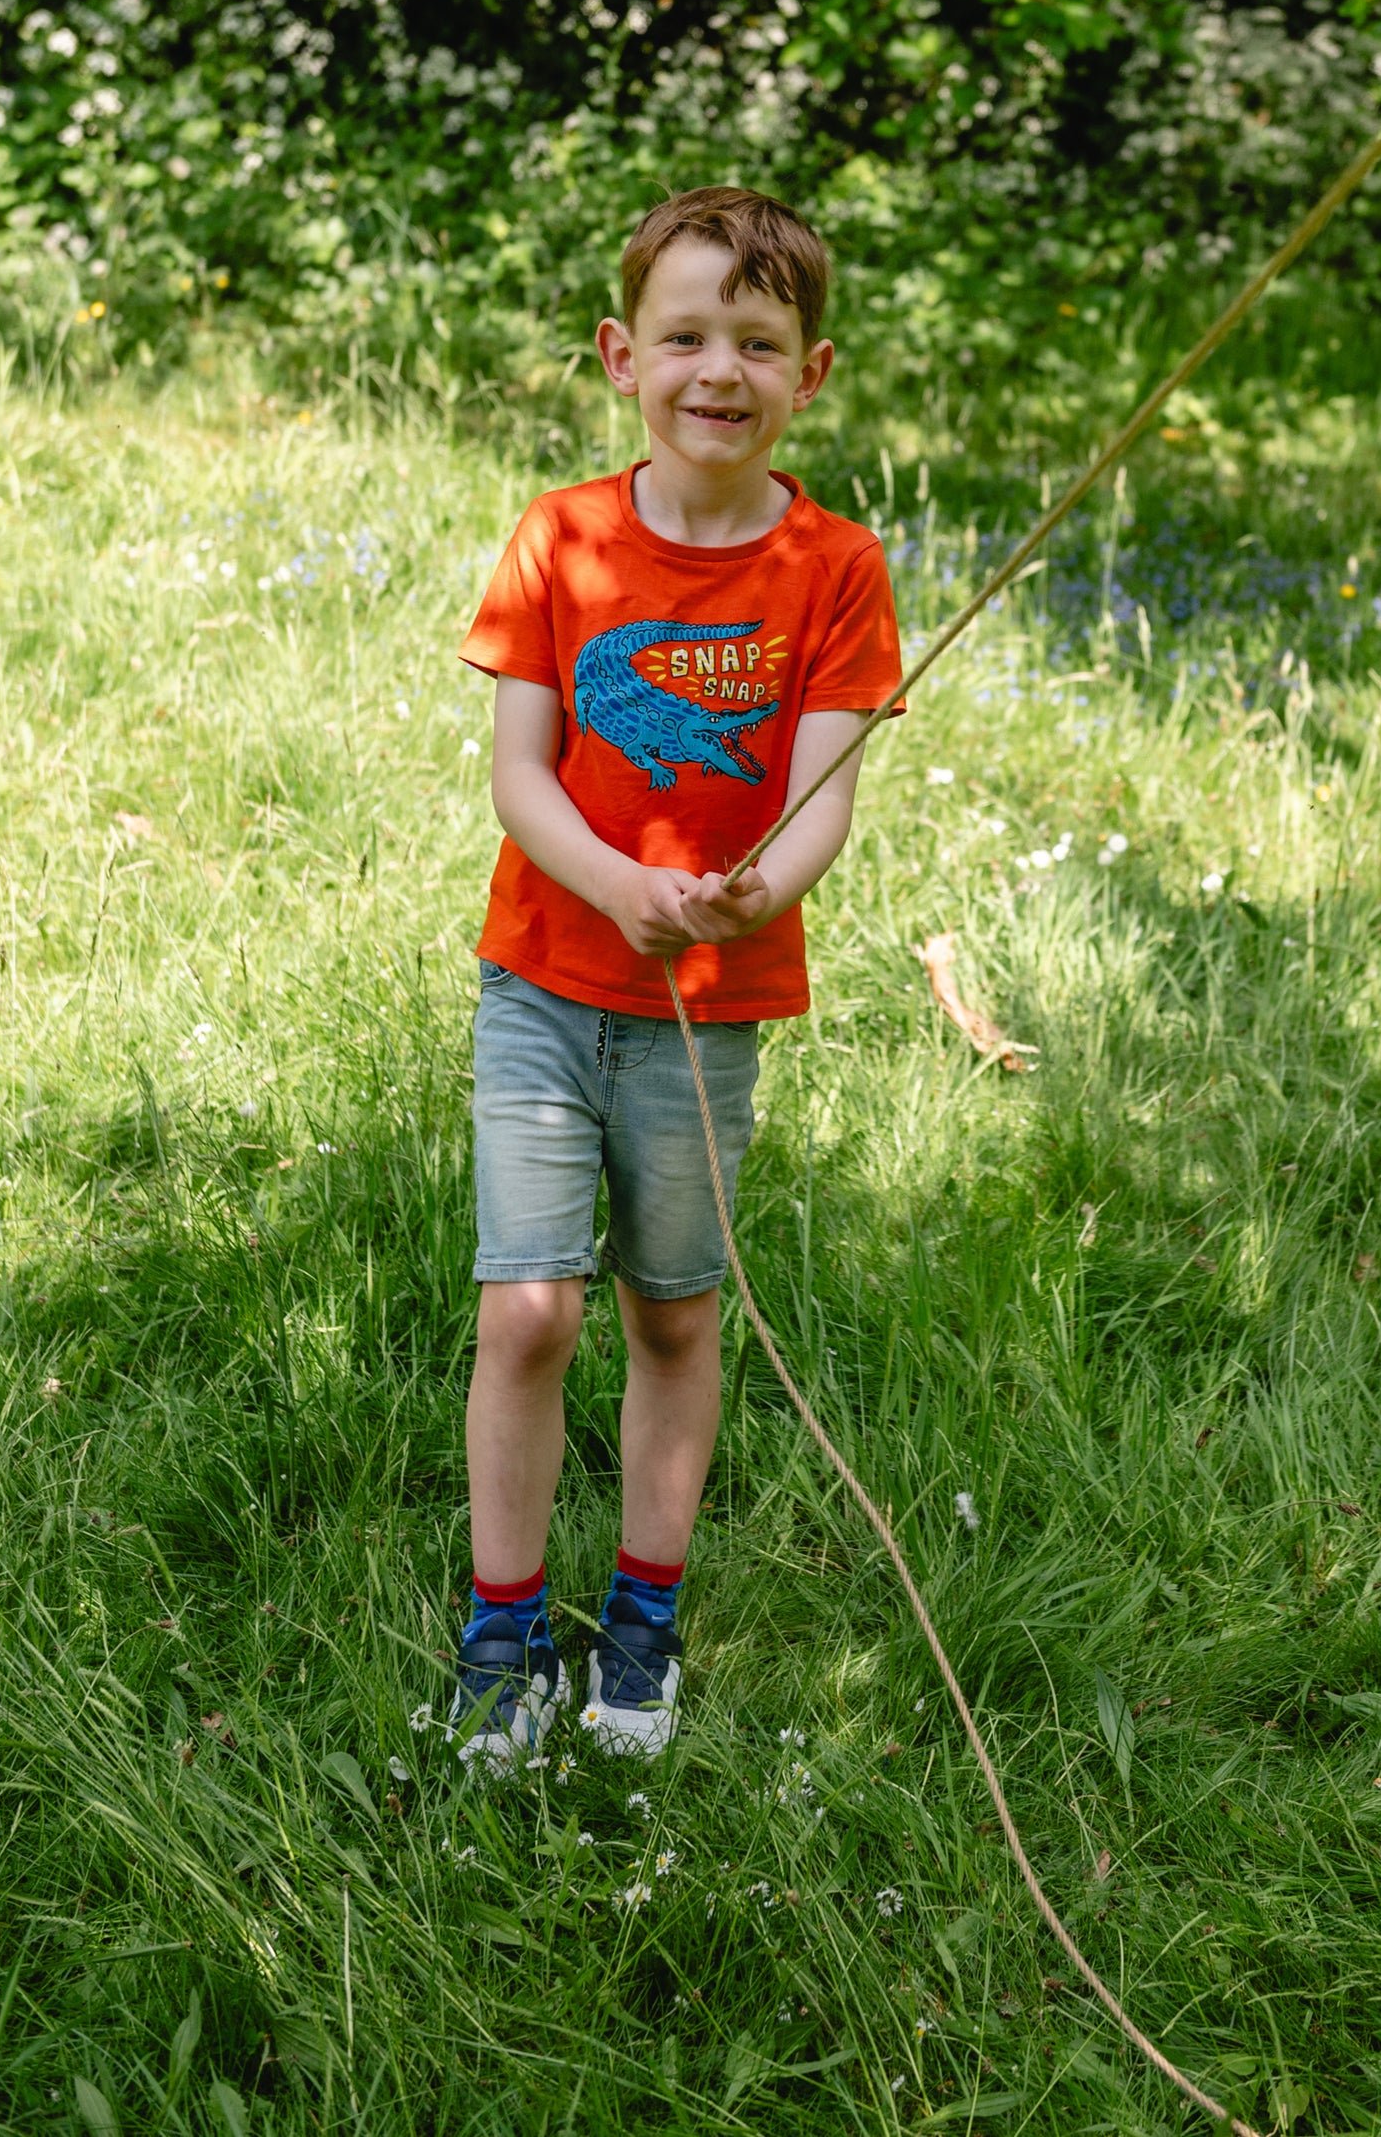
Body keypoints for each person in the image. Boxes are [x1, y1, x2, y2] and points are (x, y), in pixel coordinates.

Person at [448, 184, 903, 1770]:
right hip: (544, 985)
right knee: (528, 1313)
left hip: (707, 1019)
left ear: (810, 373)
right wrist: (620, 885)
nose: (721, 370)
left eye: (758, 343)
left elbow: (825, 790)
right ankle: (503, 1633)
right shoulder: (559, 537)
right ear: (620, 355)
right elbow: (520, 775)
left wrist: (757, 887)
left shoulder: (837, 566)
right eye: (688, 335)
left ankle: (640, 1625)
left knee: (670, 1315)